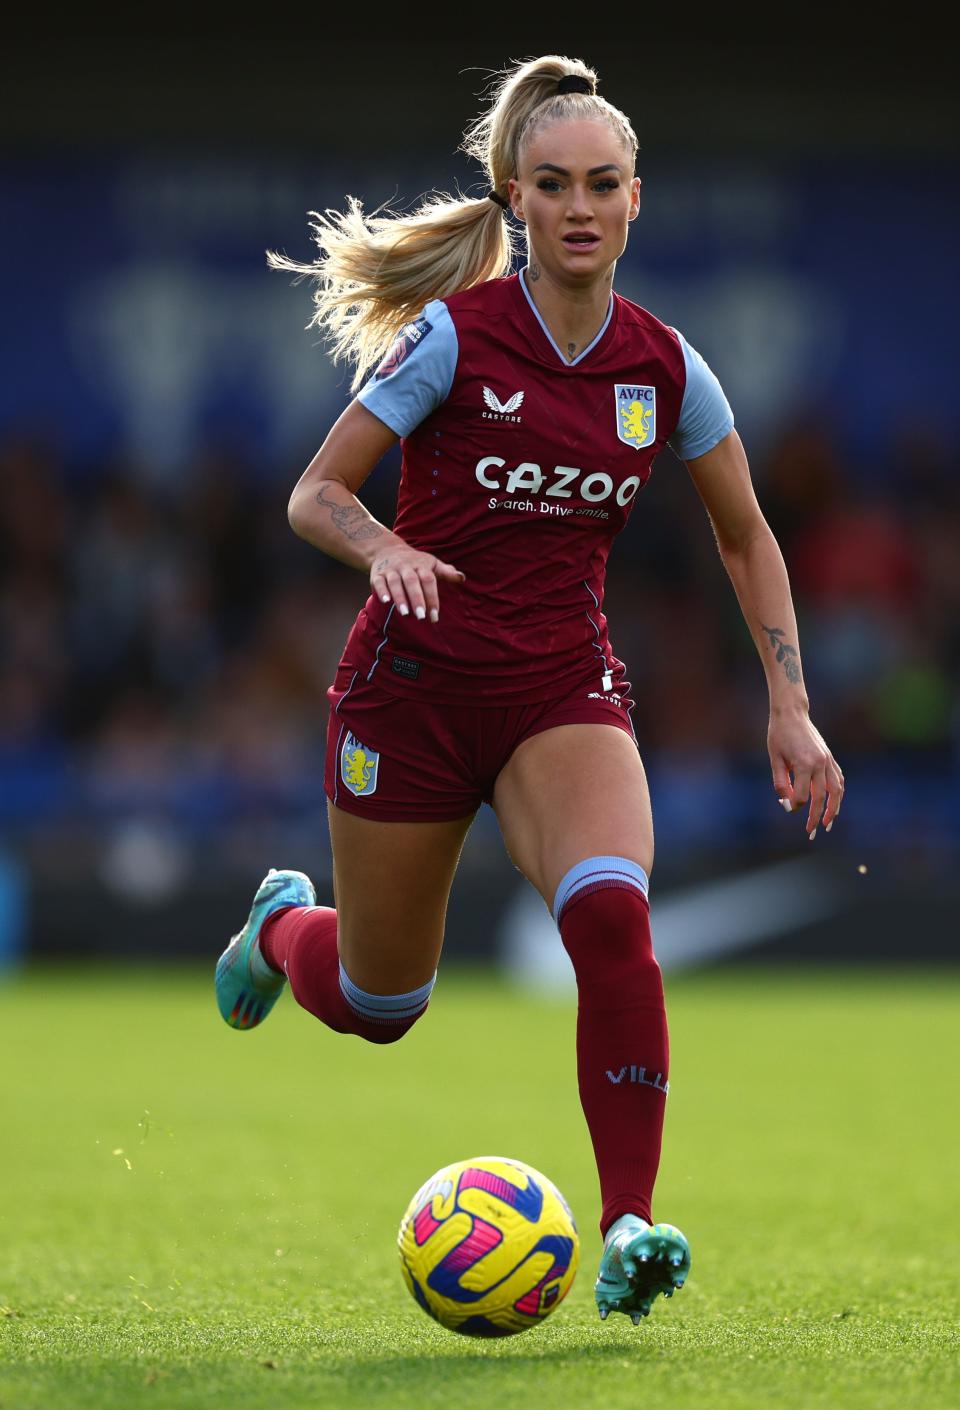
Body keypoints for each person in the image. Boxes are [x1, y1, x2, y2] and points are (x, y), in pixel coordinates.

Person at [216, 54, 844, 1326]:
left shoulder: (667, 369)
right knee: (384, 1006)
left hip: (561, 690)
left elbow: (748, 536)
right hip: (413, 698)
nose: (579, 207)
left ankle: (629, 1228)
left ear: (634, 201)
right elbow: (314, 492)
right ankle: (284, 929)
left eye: (602, 185)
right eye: (552, 184)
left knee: (614, 922)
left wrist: (791, 703)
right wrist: (384, 546)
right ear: (514, 197)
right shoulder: (453, 337)